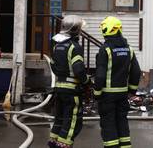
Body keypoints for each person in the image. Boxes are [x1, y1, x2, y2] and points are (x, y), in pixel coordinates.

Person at [94, 16, 141, 148]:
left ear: (106, 30)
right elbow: (136, 72)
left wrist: (97, 93)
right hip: (122, 95)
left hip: (107, 96)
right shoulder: (129, 49)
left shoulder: (106, 49)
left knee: (109, 125)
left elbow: (100, 75)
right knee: (122, 122)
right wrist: (132, 90)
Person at [48, 15, 90, 148]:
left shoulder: (57, 46)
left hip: (59, 88)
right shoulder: (75, 47)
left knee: (60, 119)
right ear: (76, 29)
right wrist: (87, 81)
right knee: (73, 122)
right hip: (72, 91)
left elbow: (53, 66)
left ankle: (54, 142)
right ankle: (63, 146)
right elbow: (78, 70)